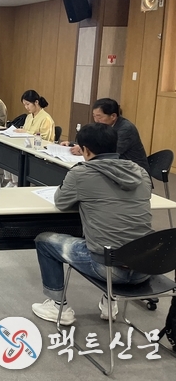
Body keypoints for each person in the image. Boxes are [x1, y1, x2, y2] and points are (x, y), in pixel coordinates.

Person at [31, 123, 152, 325]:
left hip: (108, 269)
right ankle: (109, 302)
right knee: (117, 237)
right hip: (146, 267)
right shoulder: (140, 172)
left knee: (44, 241)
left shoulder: (81, 173)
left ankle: (57, 306)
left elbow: (61, 202)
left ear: (85, 150)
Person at [62, 98, 149, 173]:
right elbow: (92, 141)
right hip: (115, 167)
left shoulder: (126, 129)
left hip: (133, 172)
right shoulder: (104, 126)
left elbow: (110, 153)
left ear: (113, 116)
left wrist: (82, 150)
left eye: (99, 117)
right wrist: (73, 144)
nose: (96, 120)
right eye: (94, 116)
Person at [4, 89, 55, 187]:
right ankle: (12, 181)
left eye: (28, 104)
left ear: (36, 102)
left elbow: (44, 138)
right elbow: (24, 130)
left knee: (16, 156)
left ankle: (17, 182)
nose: (26, 107)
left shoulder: (46, 118)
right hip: (27, 145)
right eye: (24, 105)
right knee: (9, 151)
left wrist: (26, 132)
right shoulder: (29, 117)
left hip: (39, 150)